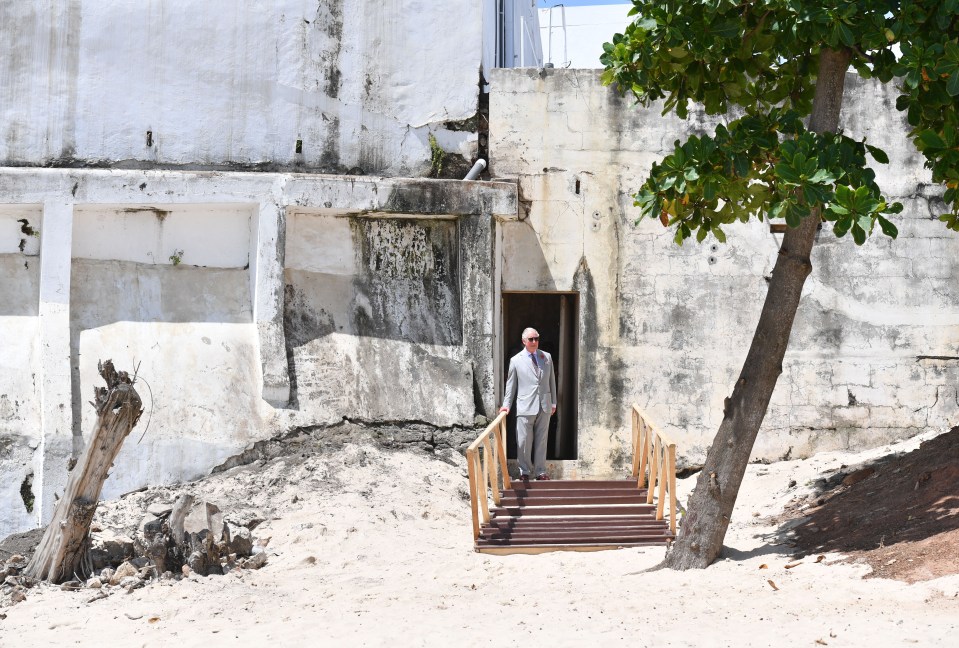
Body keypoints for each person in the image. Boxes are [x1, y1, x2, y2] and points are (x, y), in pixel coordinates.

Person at [500, 327, 557, 482]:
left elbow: (551, 380)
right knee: (524, 440)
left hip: (544, 405)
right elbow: (510, 386)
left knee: (542, 440)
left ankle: (540, 471)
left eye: (536, 339)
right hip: (525, 405)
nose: (534, 342)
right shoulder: (516, 360)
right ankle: (524, 471)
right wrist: (507, 405)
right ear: (524, 341)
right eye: (531, 339)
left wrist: (553, 402)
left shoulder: (546, 357)